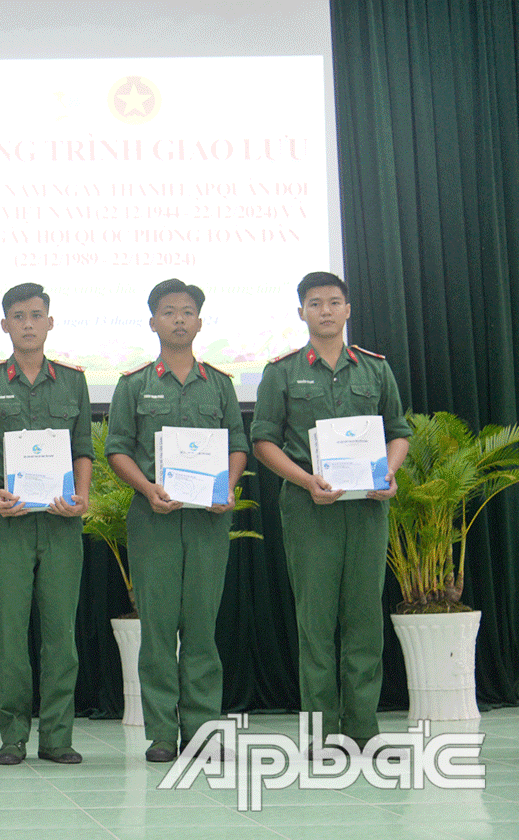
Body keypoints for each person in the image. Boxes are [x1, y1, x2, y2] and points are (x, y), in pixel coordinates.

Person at [250, 272, 410, 751]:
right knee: (315, 622)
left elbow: (398, 431)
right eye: (315, 303)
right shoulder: (281, 371)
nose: (325, 310)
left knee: (363, 618)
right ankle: (321, 732)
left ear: (347, 310)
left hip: (366, 507)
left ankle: (361, 727)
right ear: (301, 312)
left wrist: (389, 473)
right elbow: (263, 441)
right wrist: (305, 480)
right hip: (309, 506)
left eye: (334, 302)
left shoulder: (375, 369)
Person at [105, 278, 247, 763]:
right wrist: (147, 489)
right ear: (153, 322)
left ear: (200, 322)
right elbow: (116, 448)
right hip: (155, 520)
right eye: (169, 312)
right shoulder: (134, 384)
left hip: (208, 521)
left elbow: (238, 445)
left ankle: (205, 731)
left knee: (203, 630)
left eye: (187, 312)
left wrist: (226, 486)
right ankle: (163, 733)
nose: (179, 319)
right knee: (159, 630)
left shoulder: (222, 384)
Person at [0, 283, 91, 766]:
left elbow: (83, 449)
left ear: (50, 322)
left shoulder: (74, 380)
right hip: (7, 524)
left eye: (37, 314)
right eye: (19, 315)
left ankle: (57, 737)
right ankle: (12, 735)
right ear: (5, 324)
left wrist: (82, 499)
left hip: (60, 523)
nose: (29, 323)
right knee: (10, 635)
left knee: (61, 633)